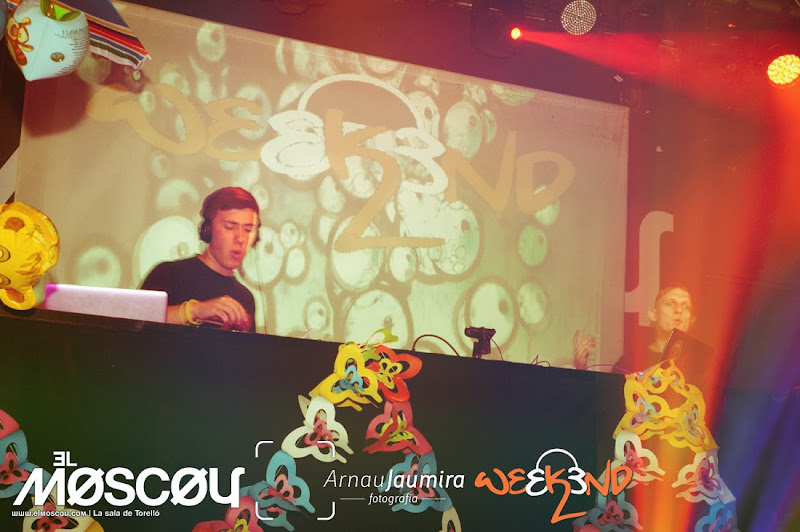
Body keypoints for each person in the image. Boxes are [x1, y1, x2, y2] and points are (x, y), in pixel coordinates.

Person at [140, 187, 260, 332]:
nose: (240, 239)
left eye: (248, 230)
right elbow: (136, 322)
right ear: (207, 229)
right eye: (230, 227)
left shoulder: (245, 298)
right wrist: (196, 310)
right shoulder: (169, 274)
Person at [573, 282, 700, 374]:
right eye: (670, 304)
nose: (678, 310)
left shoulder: (701, 365)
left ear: (692, 320)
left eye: (685, 307)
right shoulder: (630, 362)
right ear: (653, 314)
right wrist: (581, 371)